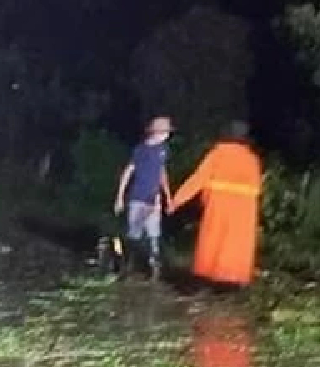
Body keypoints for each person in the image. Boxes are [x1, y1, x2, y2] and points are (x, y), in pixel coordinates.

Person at [168, 120, 264, 288]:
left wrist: (176, 201)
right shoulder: (252, 159)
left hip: (219, 205)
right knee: (236, 244)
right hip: (244, 210)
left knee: (214, 241)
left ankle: (211, 276)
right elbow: (256, 189)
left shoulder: (217, 154)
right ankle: (233, 278)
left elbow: (197, 180)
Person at [113, 116, 175, 280]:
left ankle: (154, 269)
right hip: (137, 198)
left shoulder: (163, 150)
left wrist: (168, 197)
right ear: (156, 132)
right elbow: (128, 172)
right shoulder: (140, 150)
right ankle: (127, 267)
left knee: (154, 234)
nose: (167, 135)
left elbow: (162, 173)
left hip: (154, 199)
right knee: (134, 234)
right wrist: (120, 196)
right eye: (165, 132)